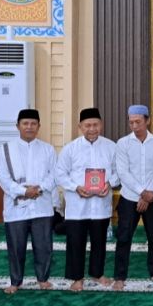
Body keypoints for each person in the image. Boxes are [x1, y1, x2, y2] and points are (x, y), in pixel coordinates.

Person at [55, 107, 119, 292]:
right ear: (80, 127)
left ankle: (97, 273)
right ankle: (77, 277)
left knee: (99, 240)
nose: (92, 129)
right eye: (88, 125)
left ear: (101, 125)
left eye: (95, 124)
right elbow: (60, 174)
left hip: (100, 203)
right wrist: (76, 187)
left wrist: (109, 183)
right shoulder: (70, 149)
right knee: (76, 241)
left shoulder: (111, 147)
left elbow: (118, 172)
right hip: (77, 204)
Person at [0, 109, 57, 294]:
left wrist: (38, 190)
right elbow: (3, 179)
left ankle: (43, 279)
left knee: (44, 246)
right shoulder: (5, 148)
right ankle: (16, 281)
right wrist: (24, 191)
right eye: (25, 123)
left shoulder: (48, 149)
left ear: (39, 126)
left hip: (42, 205)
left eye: (33, 123)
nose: (29, 127)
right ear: (18, 126)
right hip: (16, 208)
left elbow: (54, 175)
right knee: (16, 247)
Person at [113, 105, 153, 290]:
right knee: (124, 236)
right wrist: (142, 192)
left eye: (138, 122)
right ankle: (120, 276)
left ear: (147, 120)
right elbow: (123, 172)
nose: (134, 126)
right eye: (131, 122)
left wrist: (149, 194)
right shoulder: (123, 143)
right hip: (129, 197)